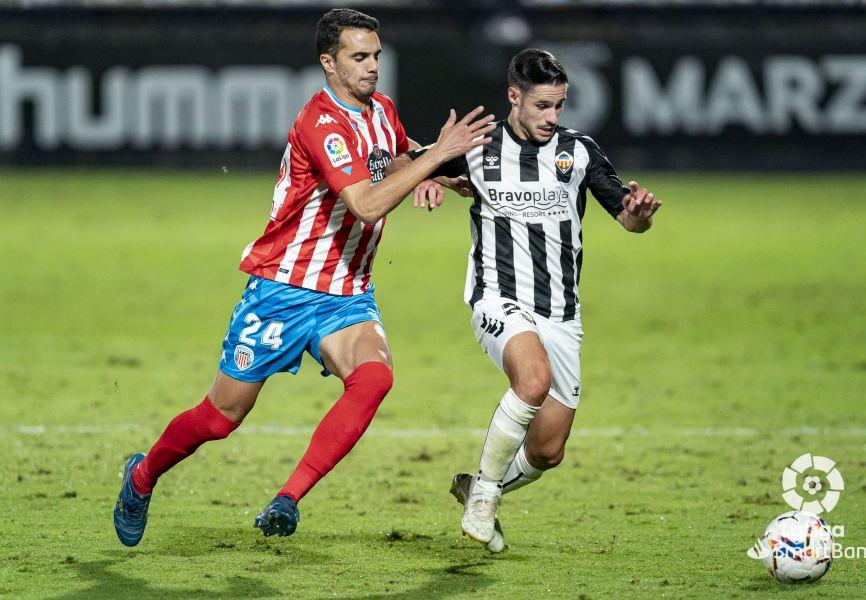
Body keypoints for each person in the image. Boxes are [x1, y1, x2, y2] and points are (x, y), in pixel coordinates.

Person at [112, 8, 495, 547]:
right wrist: (436, 159)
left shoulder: (381, 110)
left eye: (376, 55)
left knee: (374, 378)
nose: (372, 67)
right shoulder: (320, 123)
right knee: (222, 416)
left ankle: (287, 499)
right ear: (329, 63)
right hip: (283, 290)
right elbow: (365, 204)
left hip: (346, 294)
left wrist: (432, 171)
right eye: (359, 57)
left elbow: (393, 155)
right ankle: (142, 476)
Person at [387, 48, 661, 552]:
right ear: (514, 96)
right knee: (532, 380)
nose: (552, 117)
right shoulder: (477, 146)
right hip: (498, 297)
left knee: (548, 450)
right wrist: (425, 174)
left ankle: (478, 484)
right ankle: (484, 498)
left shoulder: (578, 151)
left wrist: (640, 216)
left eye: (559, 106)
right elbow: (402, 161)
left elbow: (627, 215)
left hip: (562, 314)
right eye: (542, 106)